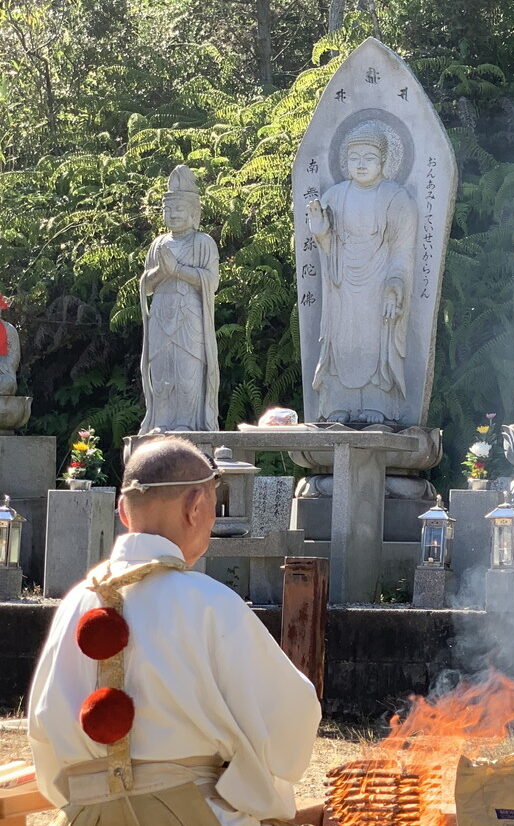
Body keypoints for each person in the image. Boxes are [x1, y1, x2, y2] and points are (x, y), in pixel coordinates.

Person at [27, 438, 323, 826]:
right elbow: (291, 718)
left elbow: (42, 741)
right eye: (213, 507)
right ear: (196, 506)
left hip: (86, 816)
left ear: (122, 511)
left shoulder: (73, 605)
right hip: (188, 813)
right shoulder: (210, 603)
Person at [306, 121, 417, 424]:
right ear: (344, 163)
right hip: (342, 284)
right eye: (354, 159)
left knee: (374, 342)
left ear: (383, 161)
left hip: (379, 279)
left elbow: (402, 249)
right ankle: (338, 405)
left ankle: (378, 405)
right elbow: (328, 248)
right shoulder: (334, 196)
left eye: (369, 158)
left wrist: (396, 283)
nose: (361, 164)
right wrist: (320, 230)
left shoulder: (395, 197)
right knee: (340, 343)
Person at [140, 166, 220, 433]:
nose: (173, 214)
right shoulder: (158, 244)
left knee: (188, 373)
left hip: (190, 316)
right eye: (168, 209)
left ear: (194, 213)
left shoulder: (203, 242)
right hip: (162, 313)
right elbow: (146, 286)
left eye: (179, 209)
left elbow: (212, 280)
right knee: (162, 372)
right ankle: (161, 422)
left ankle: (188, 422)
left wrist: (179, 272)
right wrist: (162, 271)